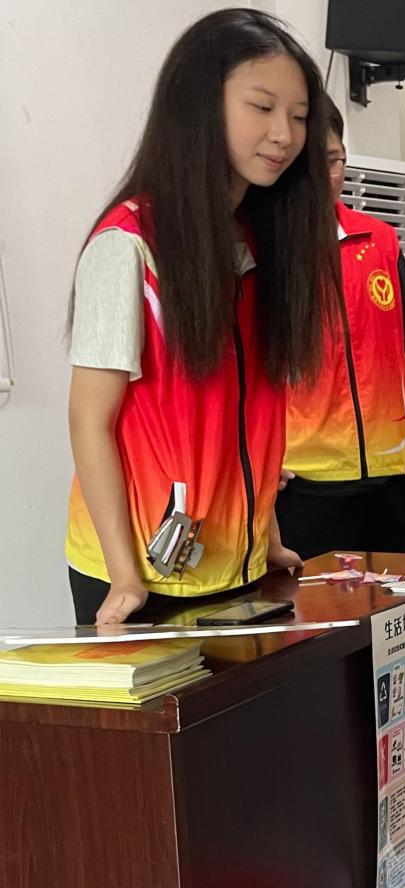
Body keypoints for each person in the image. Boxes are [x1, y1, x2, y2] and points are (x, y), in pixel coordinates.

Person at [66, 8, 341, 626]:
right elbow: (89, 420)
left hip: (237, 566)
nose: (283, 134)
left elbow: (248, 419)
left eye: (299, 116)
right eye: (262, 107)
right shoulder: (129, 246)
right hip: (141, 576)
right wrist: (124, 576)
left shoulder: (263, 247)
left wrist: (267, 536)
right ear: (198, 105)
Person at [275, 99, 405, 560]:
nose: (326, 176)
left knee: (403, 600)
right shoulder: (269, 252)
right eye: (312, 164)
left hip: (391, 477)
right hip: (305, 483)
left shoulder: (380, 241)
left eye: (334, 160)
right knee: (317, 606)